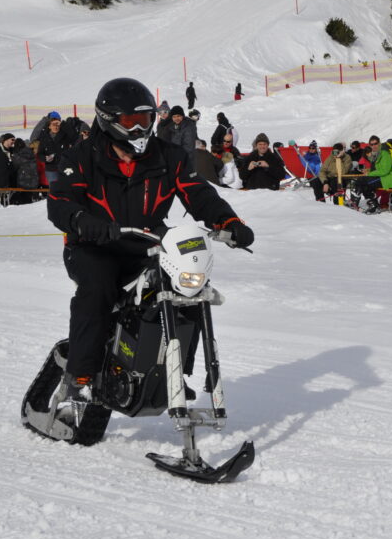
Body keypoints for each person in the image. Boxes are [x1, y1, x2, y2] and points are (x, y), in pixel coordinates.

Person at [46, 77, 253, 401]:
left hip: (146, 243)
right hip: (91, 245)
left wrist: (229, 220)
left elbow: (197, 193)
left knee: (189, 284)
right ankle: (79, 376)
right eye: (131, 121)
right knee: (98, 286)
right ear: (109, 120)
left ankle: (174, 370)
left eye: (145, 119)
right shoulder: (81, 156)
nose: (140, 127)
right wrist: (82, 221)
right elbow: (59, 201)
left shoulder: (167, 156)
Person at [353, 135, 392, 214]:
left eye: (375, 143)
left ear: (379, 143)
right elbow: (378, 169)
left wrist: (369, 173)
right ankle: (373, 205)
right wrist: (368, 170)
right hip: (382, 177)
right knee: (363, 183)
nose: (374, 146)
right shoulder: (376, 154)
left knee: (362, 181)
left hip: (387, 179)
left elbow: (385, 170)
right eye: (371, 144)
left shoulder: (384, 154)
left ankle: (355, 201)